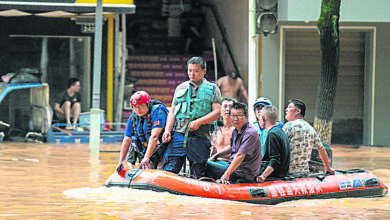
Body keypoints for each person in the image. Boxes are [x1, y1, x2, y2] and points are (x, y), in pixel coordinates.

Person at [162, 56, 222, 178]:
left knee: (198, 171)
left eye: (196, 71)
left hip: (200, 136)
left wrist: (199, 122)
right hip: (179, 134)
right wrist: (167, 130)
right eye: (189, 70)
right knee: (170, 168)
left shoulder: (213, 89)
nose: (192, 74)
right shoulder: (180, 88)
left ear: (204, 71)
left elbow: (217, 112)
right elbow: (172, 111)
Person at [207, 102, 262, 184]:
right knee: (209, 160)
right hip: (233, 166)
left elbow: (240, 155)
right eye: (233, 116)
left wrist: (225, 176)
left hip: (242, 173)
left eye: (239, 115)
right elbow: (231, 146)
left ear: (246, 116)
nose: (235, 118)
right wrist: (215, 156)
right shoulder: (236, 129)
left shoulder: (250, 133)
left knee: (204, 163)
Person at [116, 91, 169, 172]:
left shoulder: (158, 113)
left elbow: (154, 137)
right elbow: (127, 140)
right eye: (135, 107)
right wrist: (121, 161)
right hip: (146, 150)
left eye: (141, 105)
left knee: (161, 171)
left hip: (164, 148)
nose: (138, 109)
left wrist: (146, 157)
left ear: (147, 104)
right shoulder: (133, 118)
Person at [283, 99, 335, 175]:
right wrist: (327, 168)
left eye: (289, 107)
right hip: (305, 173)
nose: (286, 109)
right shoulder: (310, 128)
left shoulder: (289, 126)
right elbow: (321, 148)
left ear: (297, 111)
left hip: (288, 173)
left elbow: (278, 146)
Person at [256, 106, 290, 182]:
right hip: (282, 173)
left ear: (263, 119)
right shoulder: (280, 131)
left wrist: (262, 176)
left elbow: (275, 160)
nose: (259, 121)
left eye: (260, 118)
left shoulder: (272, 134)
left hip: (275, 175)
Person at [210, 97, 235, 162]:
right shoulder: (215, 130)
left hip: (233, 164)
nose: (228, 109)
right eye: (225, 106)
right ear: (220, 110)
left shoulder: (238, 130)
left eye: (231, 107)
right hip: (217, 162)